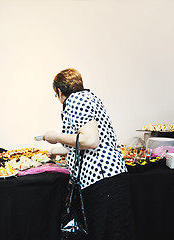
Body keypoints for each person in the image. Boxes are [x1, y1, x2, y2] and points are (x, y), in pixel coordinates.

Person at [43, 68, 136, 240]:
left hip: (102, 179)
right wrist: (58, 150)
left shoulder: (75, 100)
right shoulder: (89, 98)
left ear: (59, 91)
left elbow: (91, 141)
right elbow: (83, 141)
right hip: (112, 176)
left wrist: (56, 137)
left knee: (107, 232)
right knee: (118, 232)